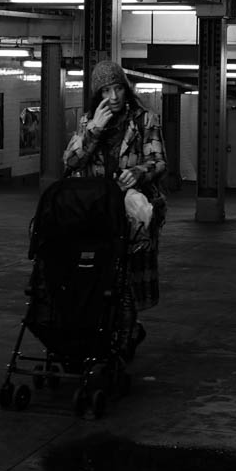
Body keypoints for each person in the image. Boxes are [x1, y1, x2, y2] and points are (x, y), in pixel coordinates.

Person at [63, 59, 168, 313]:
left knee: (129, 273)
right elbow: (71, 162)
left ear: (126, 88)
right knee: (98, 267)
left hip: (133, 209)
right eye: (106, 90)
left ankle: (128, 323)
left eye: (118, 88)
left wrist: (138, 172)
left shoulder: (145, 120)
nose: (113, 96)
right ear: (98, 94)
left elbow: (158, 161)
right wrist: (94, 129)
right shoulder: (89, 121)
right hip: (98, 208)